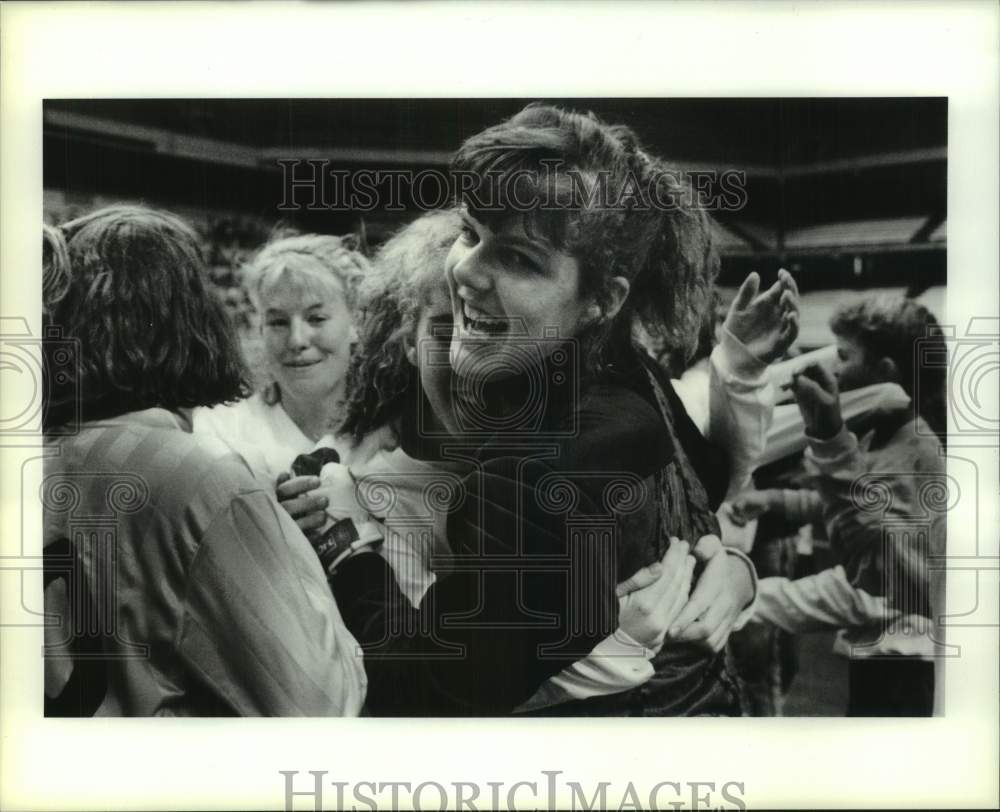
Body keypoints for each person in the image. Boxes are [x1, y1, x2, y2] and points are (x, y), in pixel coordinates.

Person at [320, 104, 798, 716]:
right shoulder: (622, 374)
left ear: (601, 300)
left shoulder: (544, 463)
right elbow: (694, 492)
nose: (467, 269)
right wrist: (728, 562)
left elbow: (427, 693)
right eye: (471, 232)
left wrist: (346, 549)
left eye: (518, 259)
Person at [42, 206, 366, 716]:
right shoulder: (206, 474)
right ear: (192, 313)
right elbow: (323, 701)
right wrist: (285, 543)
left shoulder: (31, 460)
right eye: (275, 321)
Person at [735, 295, 947, 715]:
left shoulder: (915, 450)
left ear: (885, 373)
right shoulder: (890, 436)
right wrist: (775, 500)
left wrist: (830, 435)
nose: (834, 367)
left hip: (902, 663)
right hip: (889, 652)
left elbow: (879, 566)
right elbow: (857, 508)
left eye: (844, 356)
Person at [192, 233, 370, 486]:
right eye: (278, 322)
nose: (296, 340)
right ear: (260, 328)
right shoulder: (220, 431)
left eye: (316, 318)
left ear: (356, 322)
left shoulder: (389, 433)